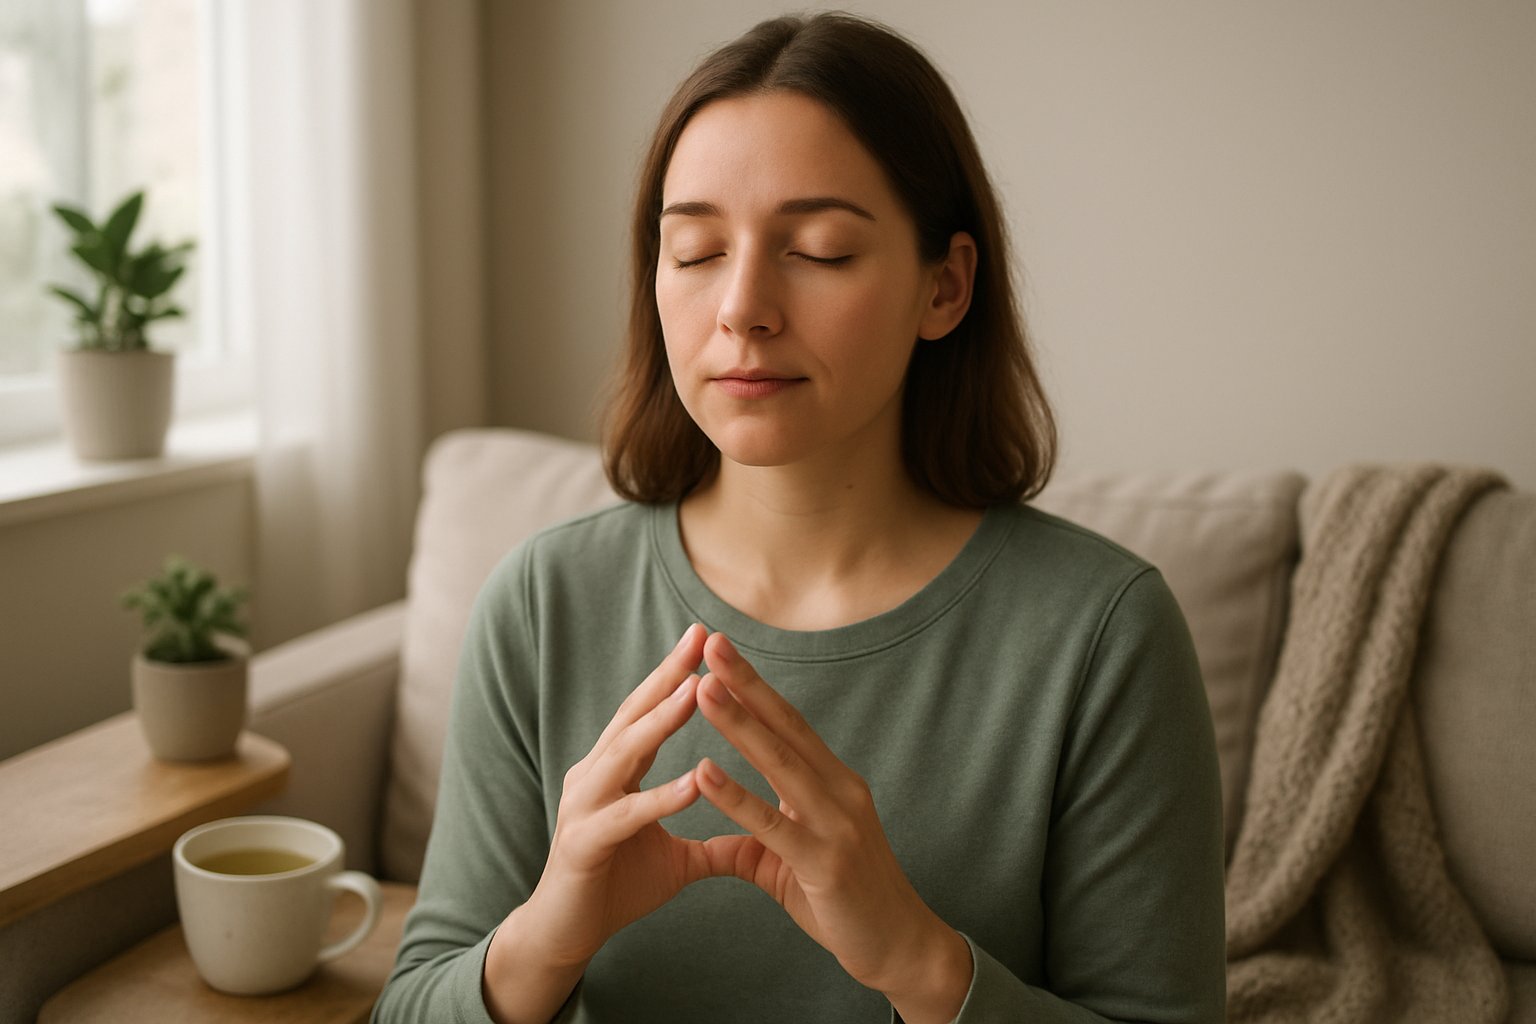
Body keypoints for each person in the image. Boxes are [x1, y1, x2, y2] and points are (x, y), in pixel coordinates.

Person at [374, 12, 1225, 1024]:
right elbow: (412, 1004)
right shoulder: (542, 603)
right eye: (693, 250)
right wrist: (545, 935)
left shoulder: (1103, 633)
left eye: (818, 251)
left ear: (945, 286)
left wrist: (919, 959)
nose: (742, 306)